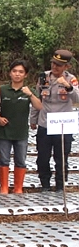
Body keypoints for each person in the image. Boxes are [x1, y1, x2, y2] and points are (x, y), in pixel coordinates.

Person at [30, 49, 79, 192]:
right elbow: (38, 99)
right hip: (45, 122)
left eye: (59, 65)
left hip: (63, 124)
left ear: (66, 66)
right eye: (53, 63)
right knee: (42, 157)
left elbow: (77, 98)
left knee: (61, 157)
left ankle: (60, 185)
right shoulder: (43, 77)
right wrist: (33, 119)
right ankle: (45, 183)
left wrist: (68, 87)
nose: (54, 67)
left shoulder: (71, 79)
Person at [0, 59, 42, 194]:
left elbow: (39, 106)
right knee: (4, 160)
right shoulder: (2, 90)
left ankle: (18, 188)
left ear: (25, 75)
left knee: (21, 160)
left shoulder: (28, 91)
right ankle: (4, 187)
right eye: (14, 71)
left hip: (21, 132)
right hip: (4, 131)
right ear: (10, 73)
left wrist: (30, 94)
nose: (17, 74)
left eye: (21, 72)